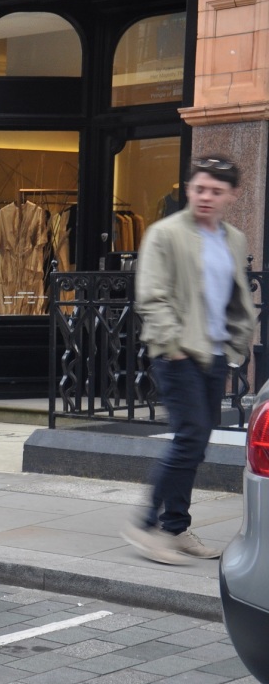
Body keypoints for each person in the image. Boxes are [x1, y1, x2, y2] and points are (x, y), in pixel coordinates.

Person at [122, 155, 256, 564]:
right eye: (199, 188)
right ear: (188, 188)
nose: (206, 197)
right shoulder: (165, 234)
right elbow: (151, 295)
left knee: (195, 444)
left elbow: (236, 296)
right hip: (177, 353)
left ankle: (175, 528)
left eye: (216, 191)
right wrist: (173, 345)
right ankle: (145, 526)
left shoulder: (233, 238)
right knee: (190, 438)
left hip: (214, 355)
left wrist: (234, 348)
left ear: (232, 195)